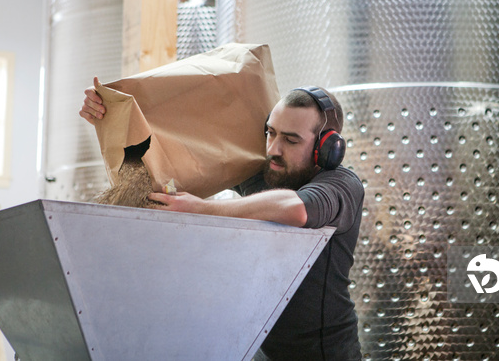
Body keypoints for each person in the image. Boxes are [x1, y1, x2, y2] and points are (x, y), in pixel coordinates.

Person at [80, 79, 363, 360]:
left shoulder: (341, 185)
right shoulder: (267, 171)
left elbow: (298, 208)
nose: (273, 149)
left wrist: (202, 209)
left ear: (326, 149)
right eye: (271, 133)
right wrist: (113, 119)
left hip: (325, 354)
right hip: (262, 348)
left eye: (290, 140)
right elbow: (178, 149)